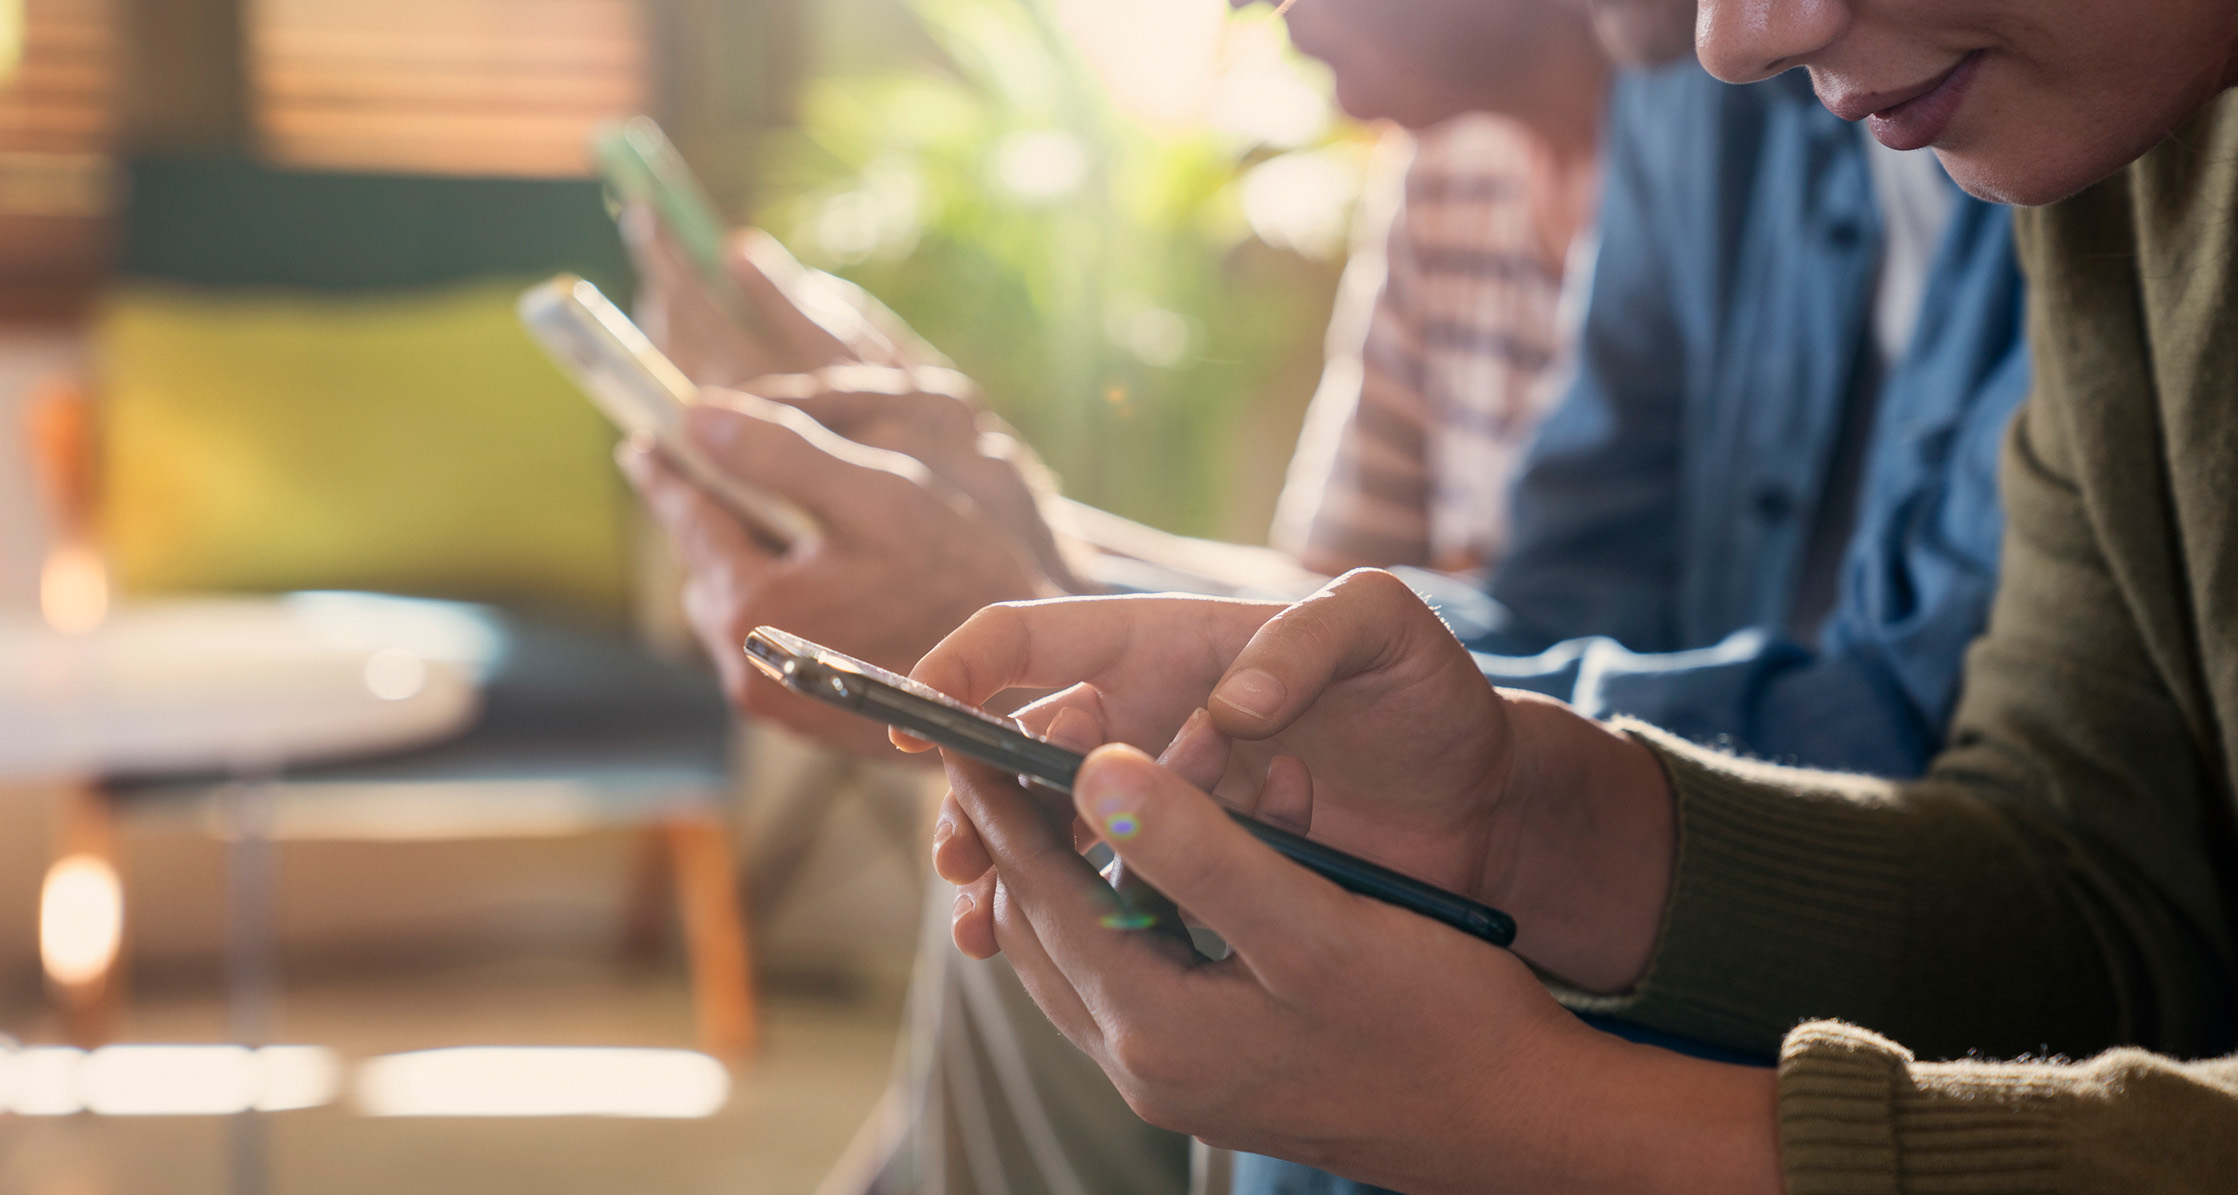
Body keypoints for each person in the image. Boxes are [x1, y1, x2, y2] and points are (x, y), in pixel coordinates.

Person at [916, 0, 2238, 1187]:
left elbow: (1915, 727)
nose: (1738, 39)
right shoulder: (2116, 181)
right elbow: (2104, 894)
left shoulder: (2030, 126)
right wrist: (1515, 819)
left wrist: (1536, 1117)